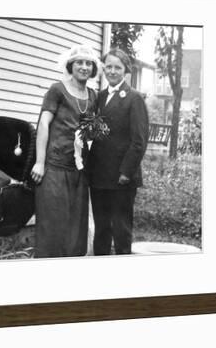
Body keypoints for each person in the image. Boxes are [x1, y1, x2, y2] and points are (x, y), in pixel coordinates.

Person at [31, 44, 99, 258]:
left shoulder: (93, 95)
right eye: (79, 62)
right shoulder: (57, 90)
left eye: (88, 63)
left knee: (76, 230)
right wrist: (40, 162)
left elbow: (91, 130)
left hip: (78, 171)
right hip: (54, 169)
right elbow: (43, 125)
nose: (84, 67)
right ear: (71, 65)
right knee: (53, 227)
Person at [88, 48, 149, 255]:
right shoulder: (99, 97)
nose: (112, 71)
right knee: (101, 229)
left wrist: (125, 172)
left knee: (121, 230)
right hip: (99, 177)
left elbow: (139, 141)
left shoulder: (134, 98)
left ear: (126, 71)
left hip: (121, 178)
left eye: (117, 67)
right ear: (103, 68)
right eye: (109, 66)